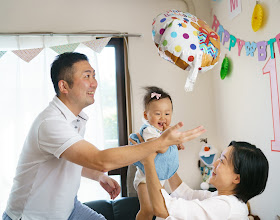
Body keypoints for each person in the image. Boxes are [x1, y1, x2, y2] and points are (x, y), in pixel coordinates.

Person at [2, 52, 205, 220]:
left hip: (68, 209)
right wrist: (160, 143)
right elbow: (101, 159)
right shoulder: (51, 123)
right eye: (87, 76)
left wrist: (97, 175)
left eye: (94, 75)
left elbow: (71, 159)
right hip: (32, 216)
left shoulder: (76, 119)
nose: (94, 83)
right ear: (64, 86)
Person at [134, 138, 269, 220]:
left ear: (237, 178)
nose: (215, 163)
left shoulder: (226, 207)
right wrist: (168, 159)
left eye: (222, 161)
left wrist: (148, 161)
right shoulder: (222, 198)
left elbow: (162, 208)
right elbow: (186, 193)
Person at [130, 86, 182, 220]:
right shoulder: (149, 130)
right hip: (144, 179)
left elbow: (173, 144)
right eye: (158, 114)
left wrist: (177, 142)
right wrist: (169, 138)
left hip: (159, 178)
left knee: (159, 210)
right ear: (146, 115)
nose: (163, 118)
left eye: (167, 113)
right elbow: (161, 148)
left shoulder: (163, 132)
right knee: (147, 210)